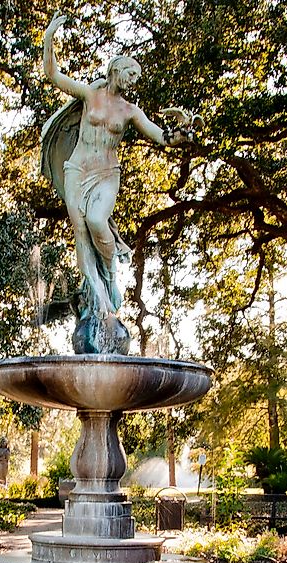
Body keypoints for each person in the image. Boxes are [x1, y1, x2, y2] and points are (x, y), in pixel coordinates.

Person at [41, 13, 194, 354]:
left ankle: (110, 266)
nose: (133, 80)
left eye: (136, 77)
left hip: (107, 173)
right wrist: (50, 36)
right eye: (129, 73)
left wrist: (180, 134)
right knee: (81, 231)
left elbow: (159, 135)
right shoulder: (89, 95)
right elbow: (52, 74)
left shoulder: (130, 111)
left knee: (97, 221)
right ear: (114, 71)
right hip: (77, 169)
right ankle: (98, 298)